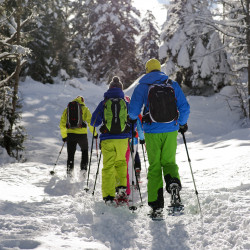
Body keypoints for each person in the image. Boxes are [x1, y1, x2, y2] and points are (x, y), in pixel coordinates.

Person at [128, 58, 190, 216]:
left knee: (155, 166)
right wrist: (181, 123)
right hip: (171, 129)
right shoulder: (171, 84)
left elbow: (133, 111)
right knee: (169, 162)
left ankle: (156, 206)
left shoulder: (143, 86)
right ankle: (174, 185)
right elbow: (185, 107)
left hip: (152, 131)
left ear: (147, 70)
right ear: (160, 70)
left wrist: (132, 118)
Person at [90, 76, 131, 205]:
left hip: (107, 139)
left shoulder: (104, 103)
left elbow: (94, 122)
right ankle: (122, 190)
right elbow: (133, 117)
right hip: (122, 139)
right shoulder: (125, 102)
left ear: (109, 89)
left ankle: (108, 196)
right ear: (121, 89)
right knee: (121, 163)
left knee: (108, 167)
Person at [59, 96, 98, 177]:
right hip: (82, 135)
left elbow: (62, 124)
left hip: (70, 135)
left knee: (70, 154)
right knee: (84, 151)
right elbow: (91, 122)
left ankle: (70, 172)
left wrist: (64, 136)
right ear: (82, 101)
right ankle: (83, 171)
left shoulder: (67, 109)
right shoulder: (85, 109)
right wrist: (95, 134)